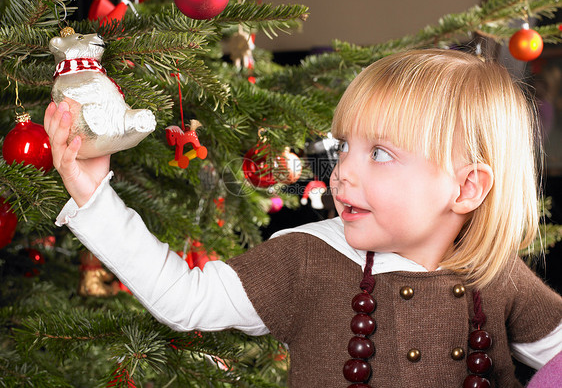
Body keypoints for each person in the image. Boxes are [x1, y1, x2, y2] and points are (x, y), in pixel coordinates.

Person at [46, 49, 562, 387]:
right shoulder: (307, 259)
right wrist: (96, 197)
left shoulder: (495, 275)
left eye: (379, 153)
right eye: (344, 148)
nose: (341, 174)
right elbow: (186, 300)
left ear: (466, 187)